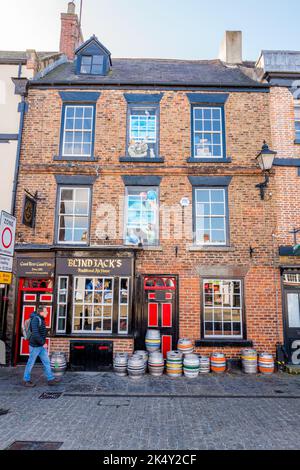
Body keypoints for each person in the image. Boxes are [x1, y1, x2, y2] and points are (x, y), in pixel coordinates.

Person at [23, 306, 60, 387]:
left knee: (46, 362)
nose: (47, 312)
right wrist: (43, 343)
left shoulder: (41, 319)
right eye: (46, 311)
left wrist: (42, 343)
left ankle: (50, 379)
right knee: (30, 363)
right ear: (41, 312)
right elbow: (35, 334)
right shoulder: (36, 319)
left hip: (40, 346)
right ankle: (26, 380)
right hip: (35, 346)